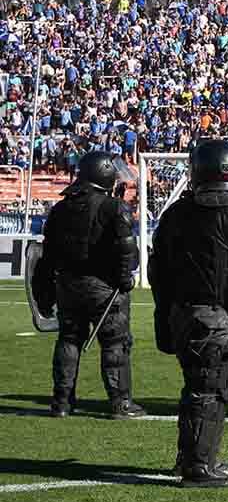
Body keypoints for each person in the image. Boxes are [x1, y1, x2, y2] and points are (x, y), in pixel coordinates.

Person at [149, 140, 228, 488]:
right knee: (210, 390)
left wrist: (163, 319)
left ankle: (194, 456)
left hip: (183, 314)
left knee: (202, 387)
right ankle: (199, 466)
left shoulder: (176, 213)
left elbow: (157, 271)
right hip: (218, 318)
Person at [31, 151, 145, 420]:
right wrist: (124, 277)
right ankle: (120, 403)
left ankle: (61, 401)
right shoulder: (113, 207)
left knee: (68, 340)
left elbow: (47, 256)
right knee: (115, 344)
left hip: (68, 286)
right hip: (104, 289)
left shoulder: (61, 208)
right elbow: (126, 250)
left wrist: (44, 292)